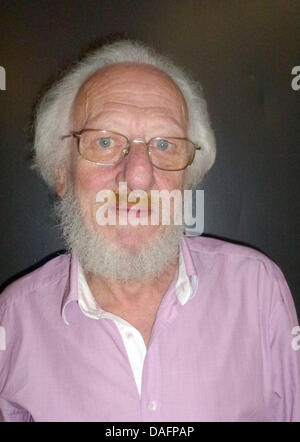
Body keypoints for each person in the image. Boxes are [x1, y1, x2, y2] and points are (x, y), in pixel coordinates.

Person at [0, 40, 299, 422]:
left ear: (188, 176)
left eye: (164, 144)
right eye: (105, 141)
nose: (139, 177)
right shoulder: (14, 321)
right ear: (62, 171)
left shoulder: (258, 291)